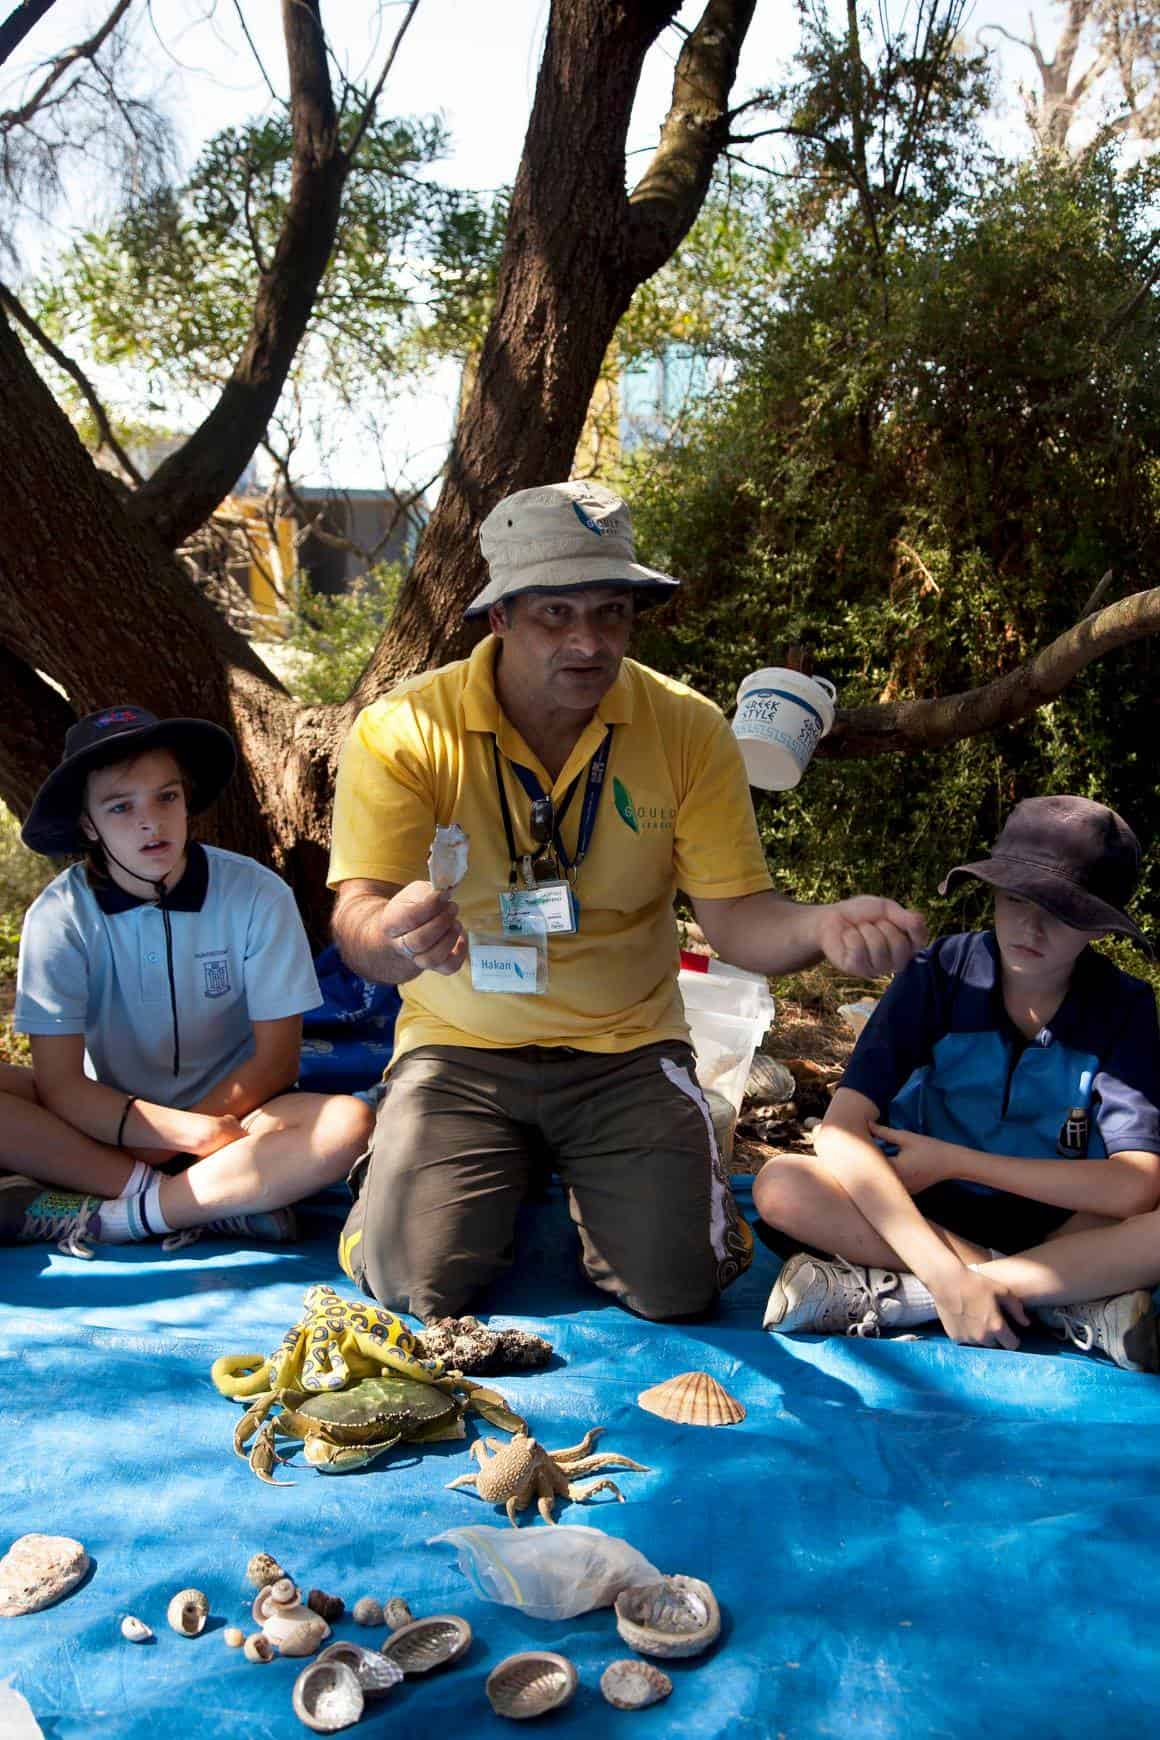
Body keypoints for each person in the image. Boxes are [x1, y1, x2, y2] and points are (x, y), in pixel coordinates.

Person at [327, 479, 927, 1322]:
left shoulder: (687, 728)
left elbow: (740, 919)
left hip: (627, 1050)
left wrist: (822, 926)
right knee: (411, 1284)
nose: (589, 642)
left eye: (611, 612)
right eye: (556, 614)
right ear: (499, 618)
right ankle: (421, 1186)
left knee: (676, 1288)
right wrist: (393, 936)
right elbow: (359, 916)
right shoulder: (404, 729)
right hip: (460, 1047)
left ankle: (625, 1173)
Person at [758, 795, 1160, 1371]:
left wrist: (957, 1161)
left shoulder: (1124, 1006)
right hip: (923, 1211)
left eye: (1061, 911)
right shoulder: (940, 972)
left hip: (1064, 1221)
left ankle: (907, 1297)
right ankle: (1055, 1301)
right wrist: (945, 1272)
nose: (1031, 926)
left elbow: (1135, 1187)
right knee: (780, 1185)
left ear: (1098, 925)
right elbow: (841, 1132)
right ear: (991, 892)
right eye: (1016, 898)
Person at [1, 704, 374, 1253]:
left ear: (185, 798)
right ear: (88, 825)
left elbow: (276, 1061)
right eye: (121, 806)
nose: (150, 822)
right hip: (104, 1119)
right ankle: (200, 1202)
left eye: (166, 797)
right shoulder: (59, 916)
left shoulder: (258, 894)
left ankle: (117, 1216)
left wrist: (192, 1130)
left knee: (348, 1124)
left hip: (238, 1118)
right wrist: (169, 1134)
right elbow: (61, 1084)